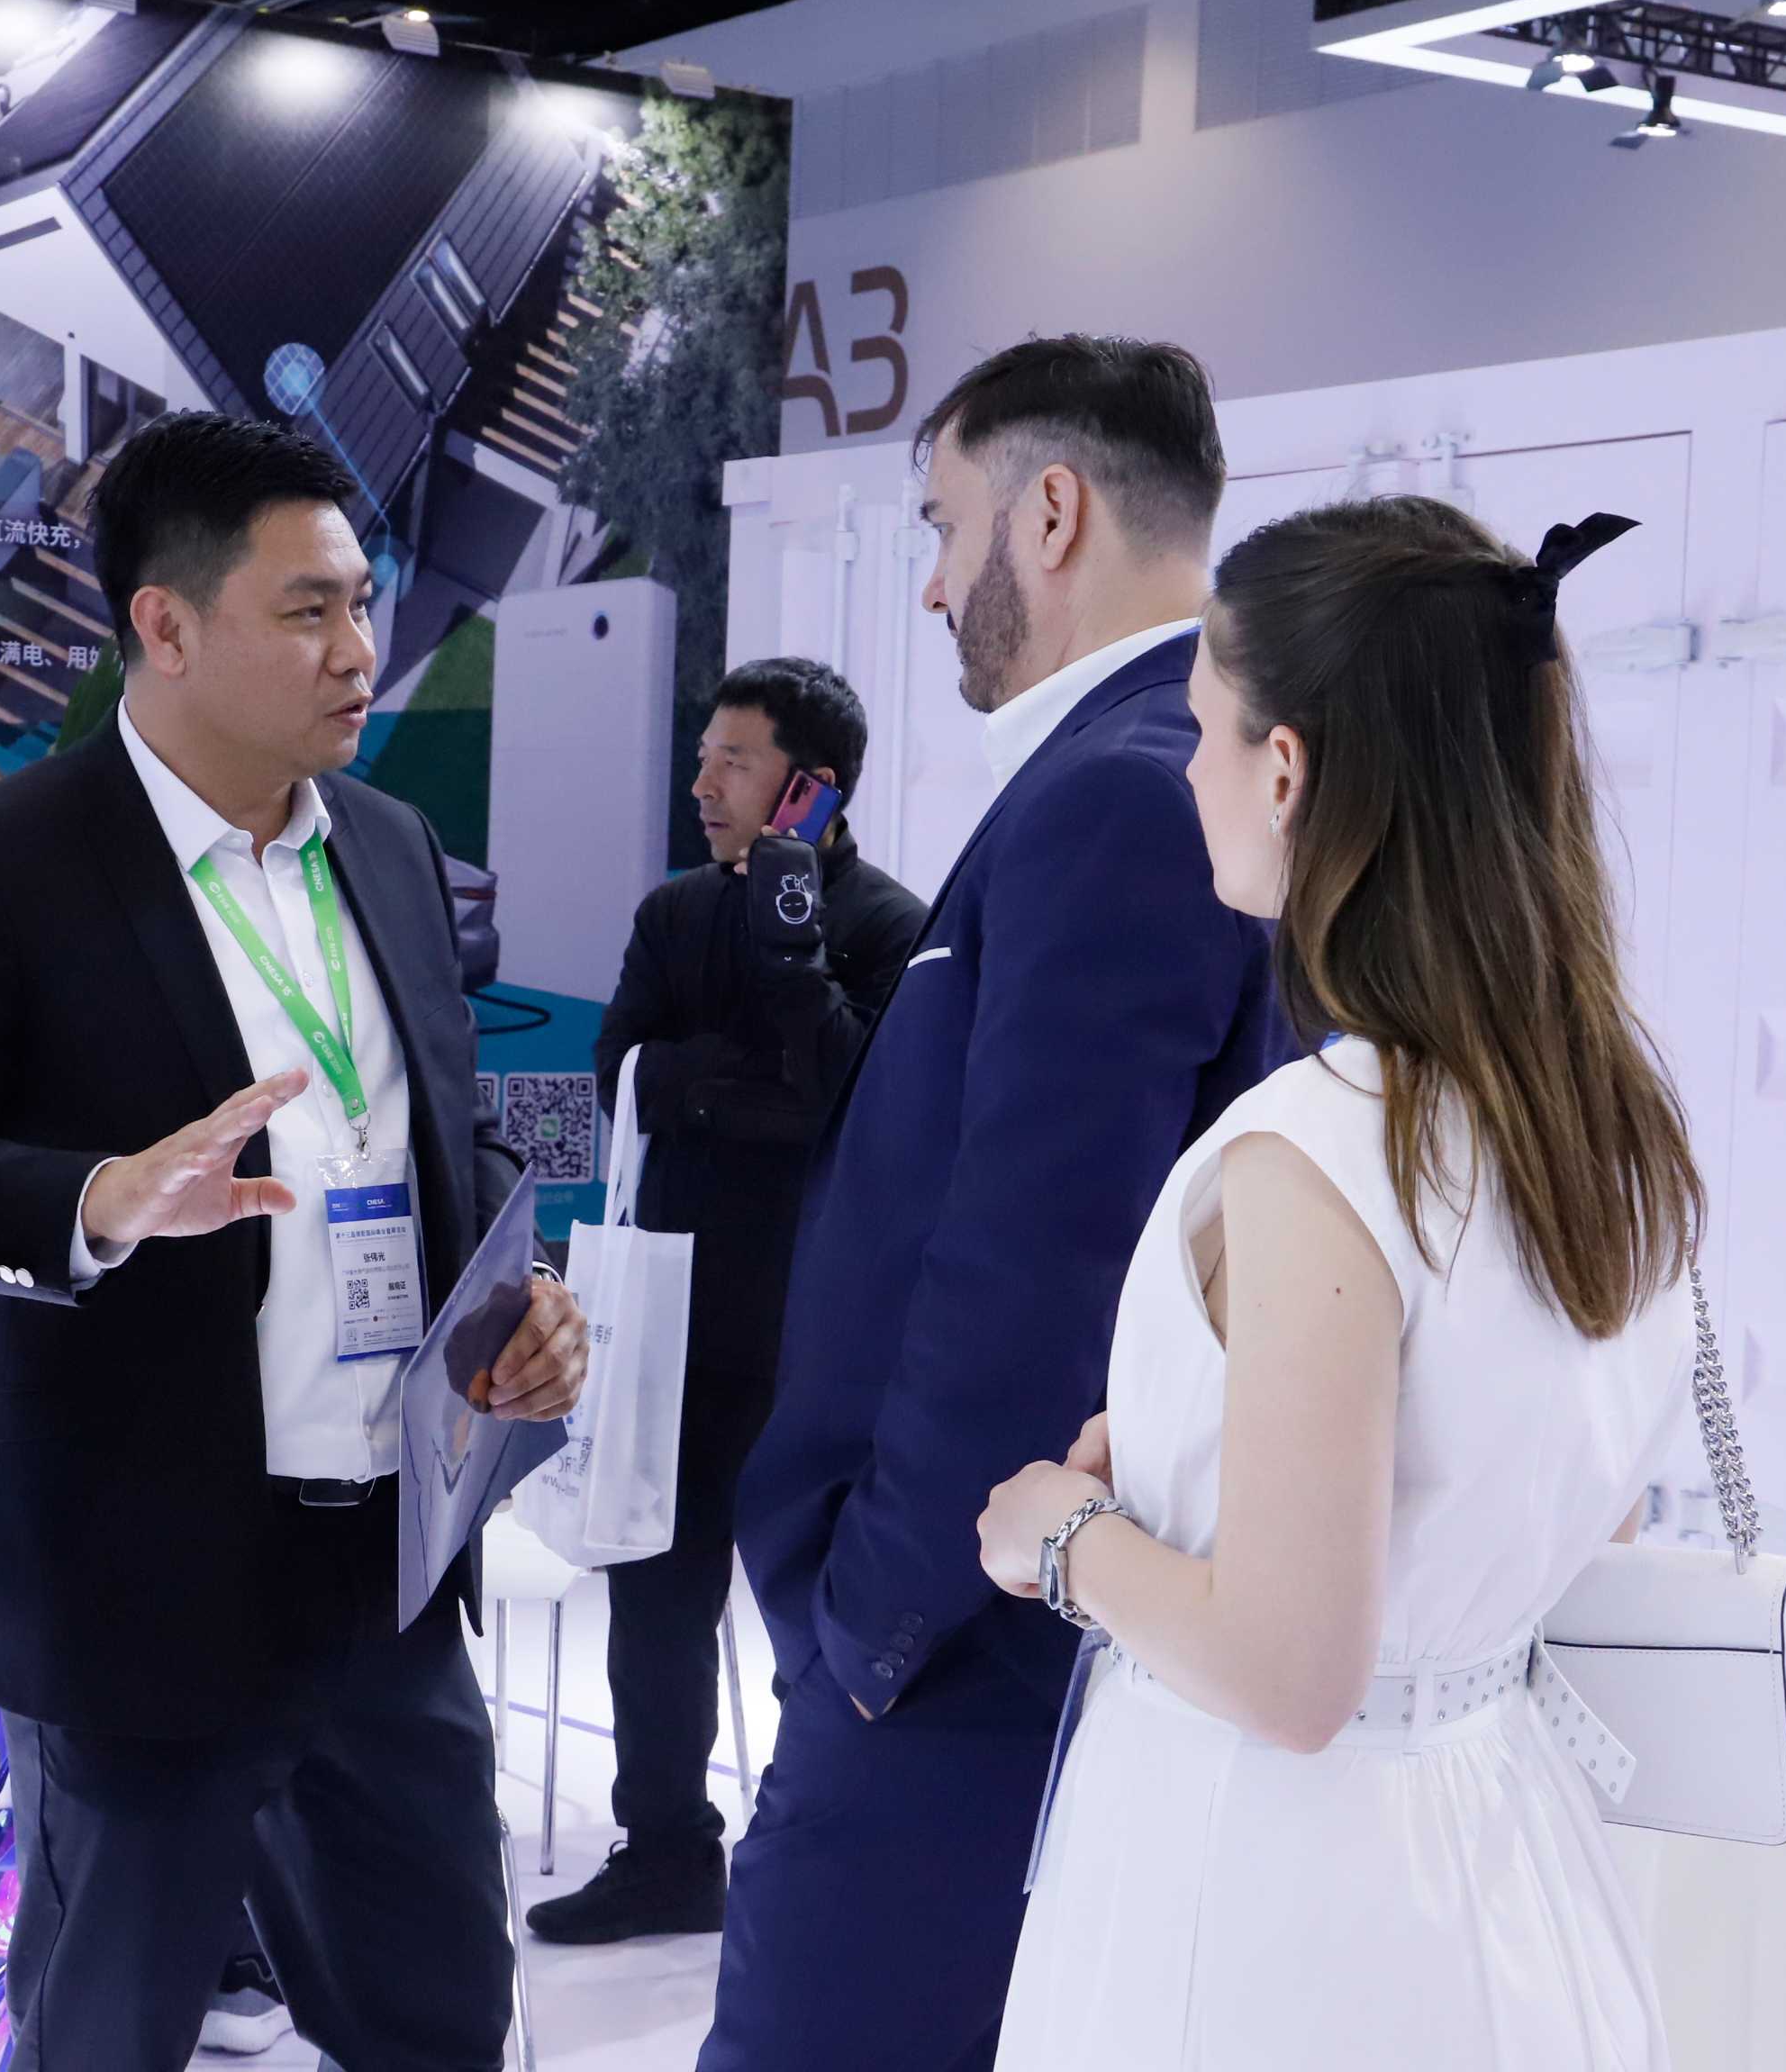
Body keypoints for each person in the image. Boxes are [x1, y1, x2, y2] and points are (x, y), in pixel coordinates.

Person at [0, 411, 591, 2072]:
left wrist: (515, 1307)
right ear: (163, 624)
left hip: (387, 1576)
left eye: (362, 602)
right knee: (109, 2030)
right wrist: (92, 1201)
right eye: (308, 611)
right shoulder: (4, 864)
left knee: (444, 2022)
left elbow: (436, 1136)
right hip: (137, 1583)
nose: (360, 650)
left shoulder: (388, 847)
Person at [982, 493, 1703, 2067]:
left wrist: (1059, 1535)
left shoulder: (1319, 1148)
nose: (1190, 772)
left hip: (1282, 1890)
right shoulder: (1606, 1127)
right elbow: (1544, 1508)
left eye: (1205, 730)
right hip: (1503, 1846)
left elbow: (1290, 1672)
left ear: (1287, 768)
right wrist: (1190, 1463)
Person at [703, 336, 1284, 2072]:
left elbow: (1040, 1264)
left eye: (944, 527)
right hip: (1014, 1618)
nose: (938, 584)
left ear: (1052, 512)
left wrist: (877, 1614)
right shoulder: (1163, 769)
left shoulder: (1122, 791)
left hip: (966, 1647)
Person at [545, 657, 924, 1944]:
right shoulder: (672, 913)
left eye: (733, 760)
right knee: (653, 1599)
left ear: (810, 787)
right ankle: (665, 1854)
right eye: (702, 755)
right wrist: (744, 1085)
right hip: (668, 1316)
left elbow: (857, 1101)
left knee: (817, 1611)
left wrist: (784, 961)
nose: (701, 782)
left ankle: (832, 1848)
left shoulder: (888, 921)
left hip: (815, 1332)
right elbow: (622, 1073)